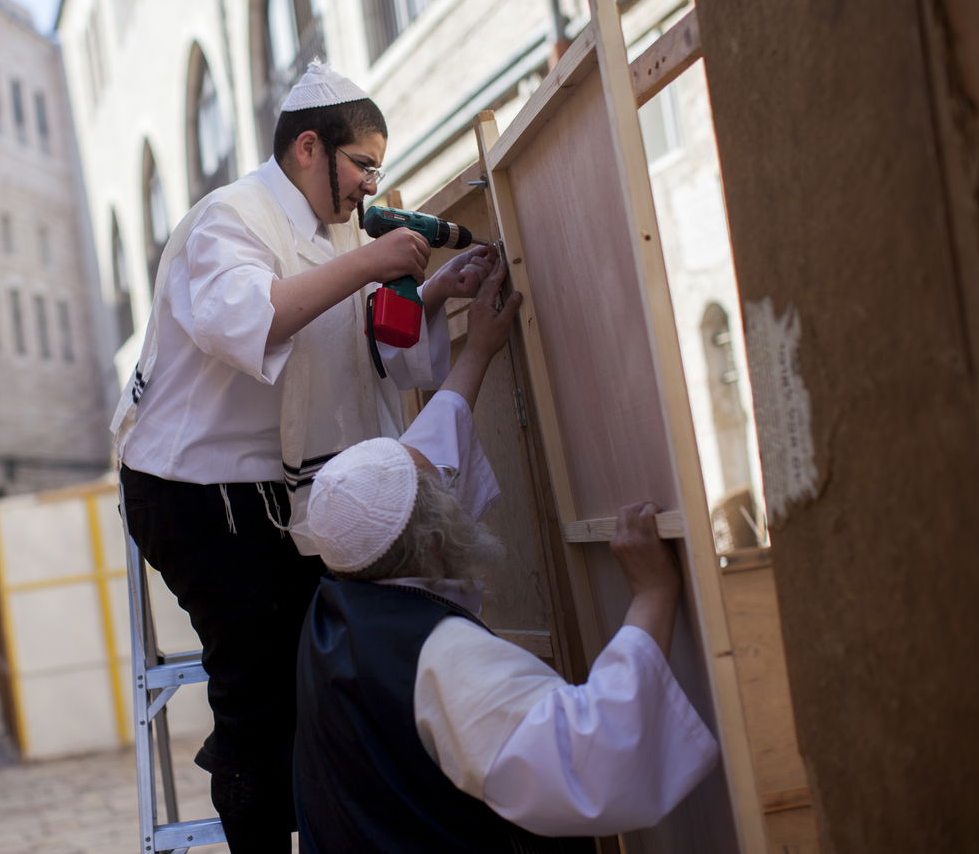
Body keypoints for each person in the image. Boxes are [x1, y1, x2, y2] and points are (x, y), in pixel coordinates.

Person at [116, 59, 495, 851]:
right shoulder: (230, 218)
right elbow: (250, 319)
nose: (369, 187)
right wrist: (371, 259)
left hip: (265, 489)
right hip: (192, 488)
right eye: (363, 167)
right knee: (258, 683)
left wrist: (434, 290)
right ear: (309, 149)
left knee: (309, 668)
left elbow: (350, 343)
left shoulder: (333, 234)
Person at [294, 285, 722, 852]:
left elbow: (417, 476)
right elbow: (590, 758)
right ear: (437, 536)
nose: (451, 485)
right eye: (440, 493)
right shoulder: (440, 656)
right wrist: (652, 594)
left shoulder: (338, 609)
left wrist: (477, 352)